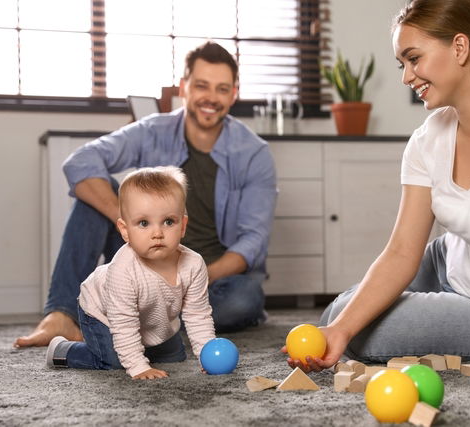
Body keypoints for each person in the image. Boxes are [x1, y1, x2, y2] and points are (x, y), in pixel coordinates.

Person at [284, 0, 470, 398]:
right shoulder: (427, 139)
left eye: (414, 59)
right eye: (401, 64)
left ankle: (455, 326)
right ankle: (397, 314)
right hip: (449, 262)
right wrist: (339, 328)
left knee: (368, 335)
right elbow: (402, 251)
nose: (407, 76)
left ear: (459, 48)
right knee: (337, 320)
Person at [16, 41, 277, 348]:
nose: (211, 98)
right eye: (202, 86)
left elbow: (252, 243)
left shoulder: (255, 153)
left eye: (222, 89)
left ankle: (146, 318)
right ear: (184, 87)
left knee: (244, 298)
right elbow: (79, 163)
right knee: (92, 192)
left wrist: (197, 277)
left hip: (209, 277)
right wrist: (130, 223)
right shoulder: (154, 130)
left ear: (234, 93)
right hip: (145, 263)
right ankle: (61, 315)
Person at [46, 167, 215, 379]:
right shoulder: (123, 270)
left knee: (175, 358)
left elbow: (197, 314)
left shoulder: (193, 263)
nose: (157, 233)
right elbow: (124, 322)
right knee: (117, 361)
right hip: (103, 314)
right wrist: (138, 366)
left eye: (169, 221)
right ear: (125, 230)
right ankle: (65, 350)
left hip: (153, 320)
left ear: (183, 226)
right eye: (144, 223)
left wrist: (207, 356)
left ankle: (141, 348)